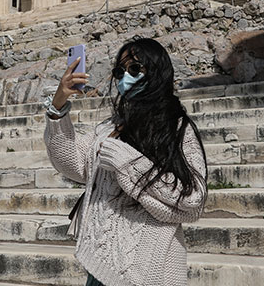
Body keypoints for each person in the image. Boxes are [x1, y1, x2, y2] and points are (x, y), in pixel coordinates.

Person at [44, 37, 208, 286]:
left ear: (156, 71)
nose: (124, 78)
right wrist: (58, 107)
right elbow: (72, 162)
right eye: (119, 71)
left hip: (151, 268)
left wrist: (126, 162)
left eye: (134, 69)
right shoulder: (110, 127)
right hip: (101, 266)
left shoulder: (176, 129)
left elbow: (192, 198)